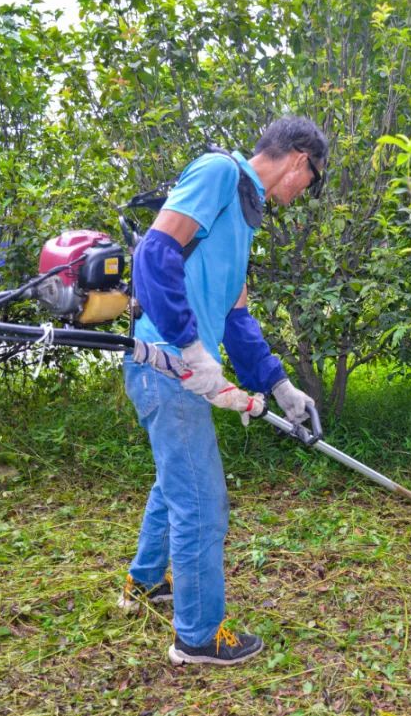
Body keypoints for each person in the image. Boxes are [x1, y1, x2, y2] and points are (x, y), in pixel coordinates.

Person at [118, 116, 328, 666]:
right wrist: (189, 349)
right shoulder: (219, 172)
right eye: (311, 180)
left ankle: (143, 585)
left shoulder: (243, 216)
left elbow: (237, 322)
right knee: (201, 504)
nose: (304, 193)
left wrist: (280, 386)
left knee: (176, 484)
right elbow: (154, 254)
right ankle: (199, 635)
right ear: (300, 160)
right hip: (165, 364)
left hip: (177, 373)